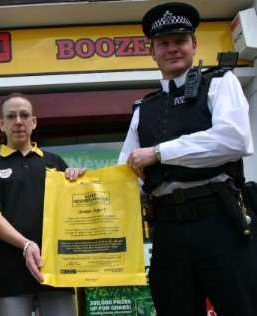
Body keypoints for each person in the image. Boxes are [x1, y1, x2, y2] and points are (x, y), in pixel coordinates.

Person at [119, 2, 257, 316]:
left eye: (180, 41)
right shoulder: (144, 108)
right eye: (163, 43)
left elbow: (235, 139)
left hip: (219, 219)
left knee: (243, 307)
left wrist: (159, 152)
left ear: (194, 44)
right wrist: (80, 183)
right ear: (151, 51)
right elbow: (126, 171)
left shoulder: (221, 82)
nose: (172, 49)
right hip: (166, 228)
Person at [0, 93, 84, 316]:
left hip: (55, 270)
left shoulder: (54, 162)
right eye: (11, 116)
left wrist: (77, 183)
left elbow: (73, 213)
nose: (18, 121)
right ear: (2, 124)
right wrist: (26, 244)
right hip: (9, 273)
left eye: (24, 115)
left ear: (33, 122)